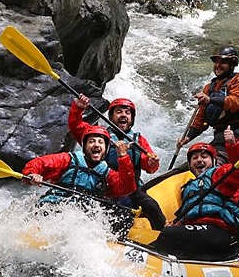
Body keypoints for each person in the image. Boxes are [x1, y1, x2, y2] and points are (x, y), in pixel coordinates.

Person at [69, 95, 166, 230]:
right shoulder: (100, 137)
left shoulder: (139, 140)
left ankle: (163, 234)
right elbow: (76, 126)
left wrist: (151, 162)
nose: (123, 115)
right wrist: (78, 108)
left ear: (132, 118)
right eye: (119, 112)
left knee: (151, 206)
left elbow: (149, 168)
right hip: (103, 188)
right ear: (111, 116)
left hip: (131, 189)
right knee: (118, 213)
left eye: (127, 112)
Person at [151, 127, 239, 255]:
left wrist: (232, 145)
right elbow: (190, 213)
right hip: (198, 230)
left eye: (204, 156)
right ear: (190, 165)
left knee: (169, 234)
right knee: (170, 233)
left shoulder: (219, 175)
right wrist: (177, 224)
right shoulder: (189, 187)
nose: (199, 160)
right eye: (195, 158)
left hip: (218, 230)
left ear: (213, 162)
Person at [21, 125, 137, 234]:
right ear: (84, 147)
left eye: (100, 142)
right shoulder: (67, 159)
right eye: (91, 141)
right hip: (52, 207)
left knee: (120, 217)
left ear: (106, 149)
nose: (96, 145)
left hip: (81, 217)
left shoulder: (107, 173)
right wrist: (33, 174)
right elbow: (39, 163)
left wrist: (123, 157)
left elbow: (127, 188)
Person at [176, 46, 239, 163]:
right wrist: (187, 138)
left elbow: (238, 101)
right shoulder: (209, 87)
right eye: (216, 62)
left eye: (223, 62)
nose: (218, 66)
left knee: (212, 163)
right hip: (220, 139)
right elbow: (201, 119)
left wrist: (210, 100)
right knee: (193, 162)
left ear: (232, 64)